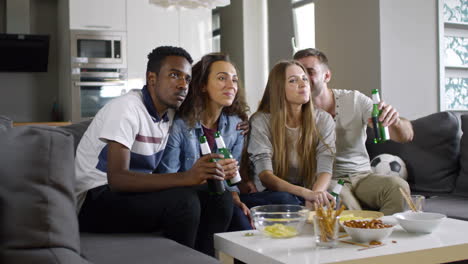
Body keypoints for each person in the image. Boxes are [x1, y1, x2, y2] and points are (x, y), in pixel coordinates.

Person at [75, 46, 237, 256]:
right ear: (152, 78)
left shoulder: (169, 113)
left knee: (220, 196)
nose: (182, 85)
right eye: (174, 75)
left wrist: (241, 120)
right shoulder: (126, 109)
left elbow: (207, 105)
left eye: (187, 79)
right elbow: (117, 179)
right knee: (184, 203)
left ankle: (203, 259)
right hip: (95, 200)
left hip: (133, 194)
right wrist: (187, 177)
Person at [294, 48, 414, 215]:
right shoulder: (294, 109)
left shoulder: (355, 100)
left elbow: (405, 136)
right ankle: (362, 234)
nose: (304, 78)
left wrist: (395, 121)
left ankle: (384, 236)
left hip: (362, 175)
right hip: (327, 179)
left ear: (327, 76)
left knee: (399, 187)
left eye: (310, 71)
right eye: (299, 74)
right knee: (342, 203)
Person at [156, 53, 253, 231]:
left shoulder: (236, 126)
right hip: (187, 198)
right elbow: (169, 177)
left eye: (235, 80)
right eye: (222, 78)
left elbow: (232, 179)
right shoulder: (179, 126)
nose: (231, 86)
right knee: (224, 207)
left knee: (243, 224)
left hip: (221, 197)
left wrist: (235, 196)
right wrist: (210, 175)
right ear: (202, 85)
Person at [247, 60, 336, 209]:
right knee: (288, 201)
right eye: (293, 80)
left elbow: (325, 167)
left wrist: (316, 195)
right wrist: (306, 194)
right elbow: (266, 177)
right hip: (271, 193)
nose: (303, 84)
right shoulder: (260, 121)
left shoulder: (323, 119)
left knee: (332, 202)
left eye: (305, 78)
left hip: (305, 192)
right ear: (279, 88)